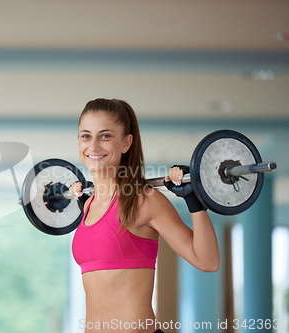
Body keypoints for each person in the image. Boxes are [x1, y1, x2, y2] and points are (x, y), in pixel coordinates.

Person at [69, 98, 220, 333]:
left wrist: (194, 201)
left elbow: (208, 261)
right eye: (86, 136)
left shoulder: (143, 200)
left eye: (105, 136)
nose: (94, 145)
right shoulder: (88, 204)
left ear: (126, 143)